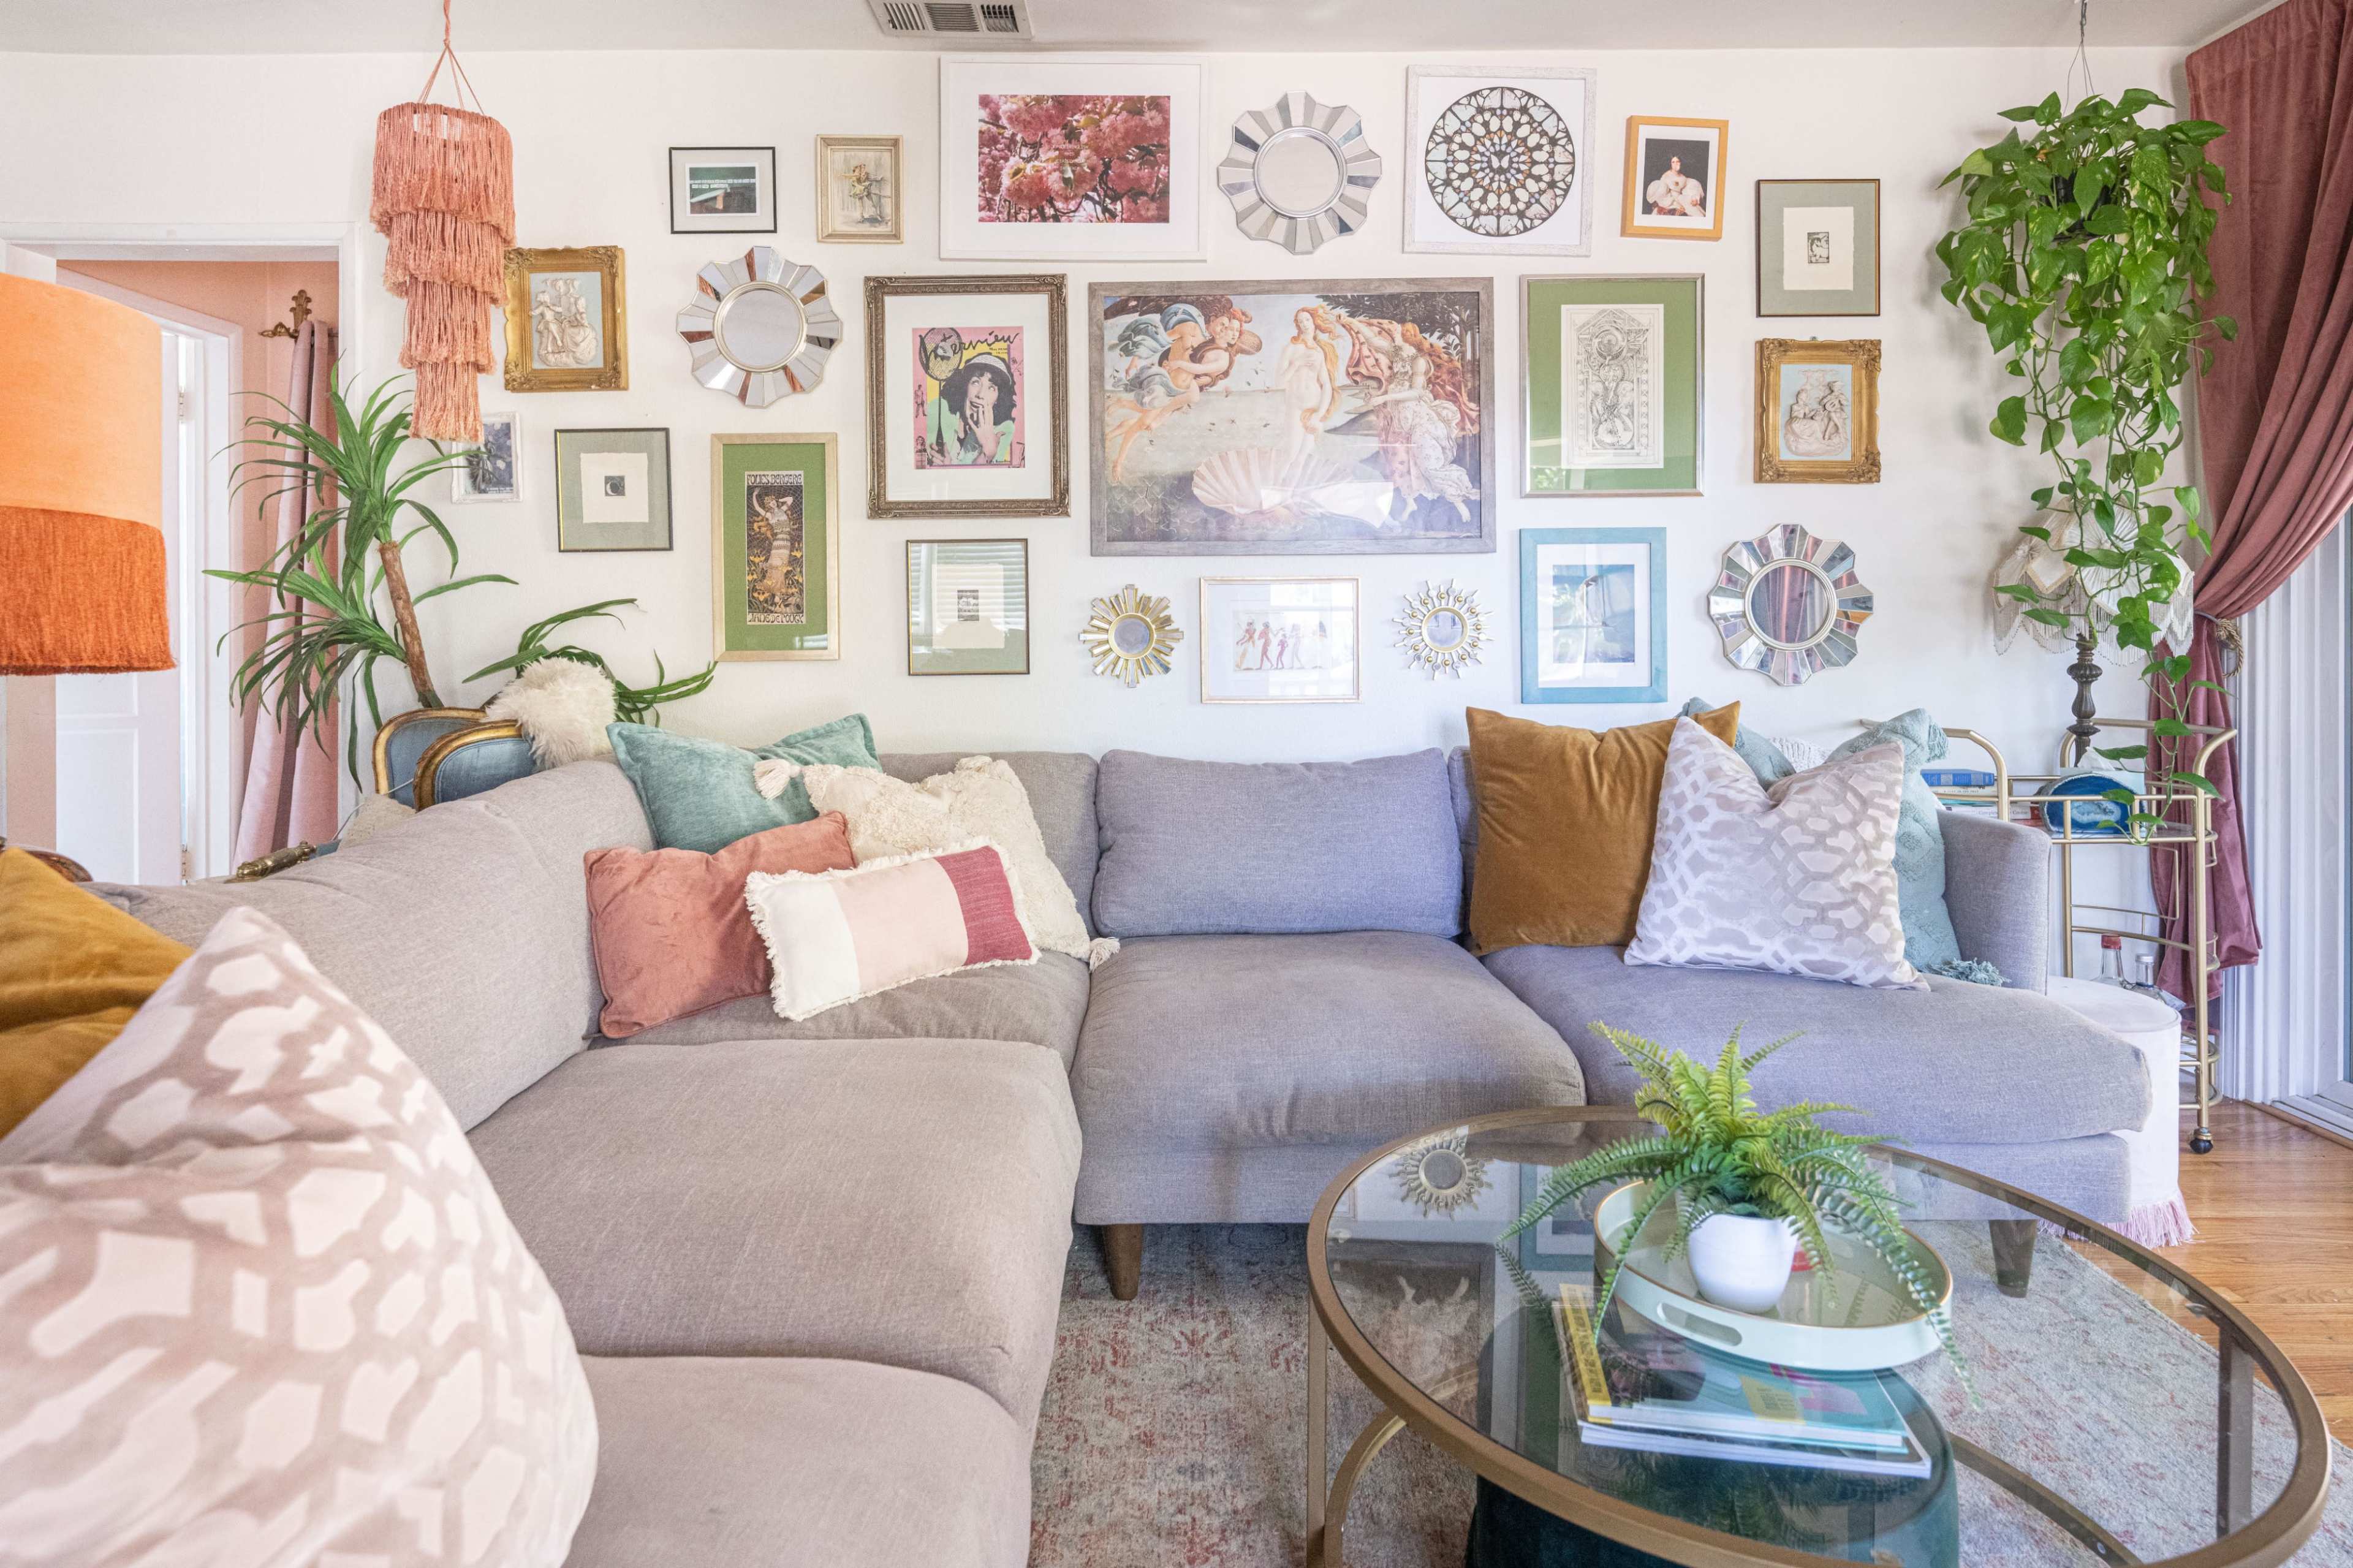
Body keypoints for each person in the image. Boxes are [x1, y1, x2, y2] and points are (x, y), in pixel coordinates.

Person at [939, 353, 1018, 466]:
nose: (981, 395)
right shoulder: (941, 411)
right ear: (966, 385)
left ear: (998, 398)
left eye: (992, 388)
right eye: (976, 382)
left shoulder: (1005, 430)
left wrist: (988, 453)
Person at [1645, 154, 1707, 218]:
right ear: (1670, 164)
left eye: (1678, 162)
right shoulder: (1666, 176)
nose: (1676, 164)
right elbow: (1662, 194)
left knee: (1699, 214)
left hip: (1682, 198)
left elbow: (1691, 188)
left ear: (1681, 163)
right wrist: (1678, 205)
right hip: (1670, 201)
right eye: (1673, 162)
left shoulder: (1683, 178)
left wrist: (1695, 198)